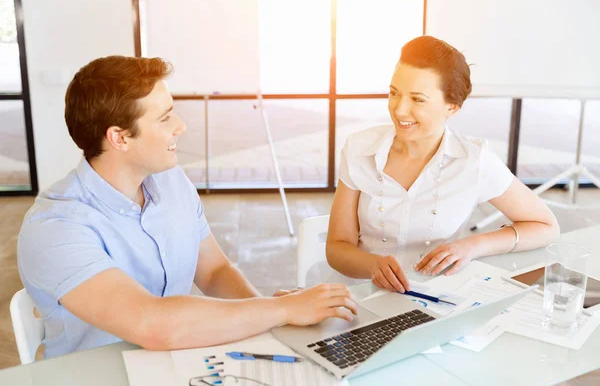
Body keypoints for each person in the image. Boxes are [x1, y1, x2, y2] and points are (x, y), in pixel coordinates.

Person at [17, 56, 358, 359]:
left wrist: (273, 319)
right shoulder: (55, 227)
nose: (181, 126)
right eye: (165, 118)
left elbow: (214, 273)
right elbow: (152, 325)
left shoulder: (171, 182)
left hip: (177, 363)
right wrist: (280, 309)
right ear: (120, 138)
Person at [326, 36, 560, 293]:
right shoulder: (359, 149)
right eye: (394, 93)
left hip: (439, 297)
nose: (400, 110)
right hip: (365, 295)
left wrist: (473, 246)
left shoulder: (473, 160)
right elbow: (337, 246)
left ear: (452, 107)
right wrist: (374, 266)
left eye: (418, 100)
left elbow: (545, 227)